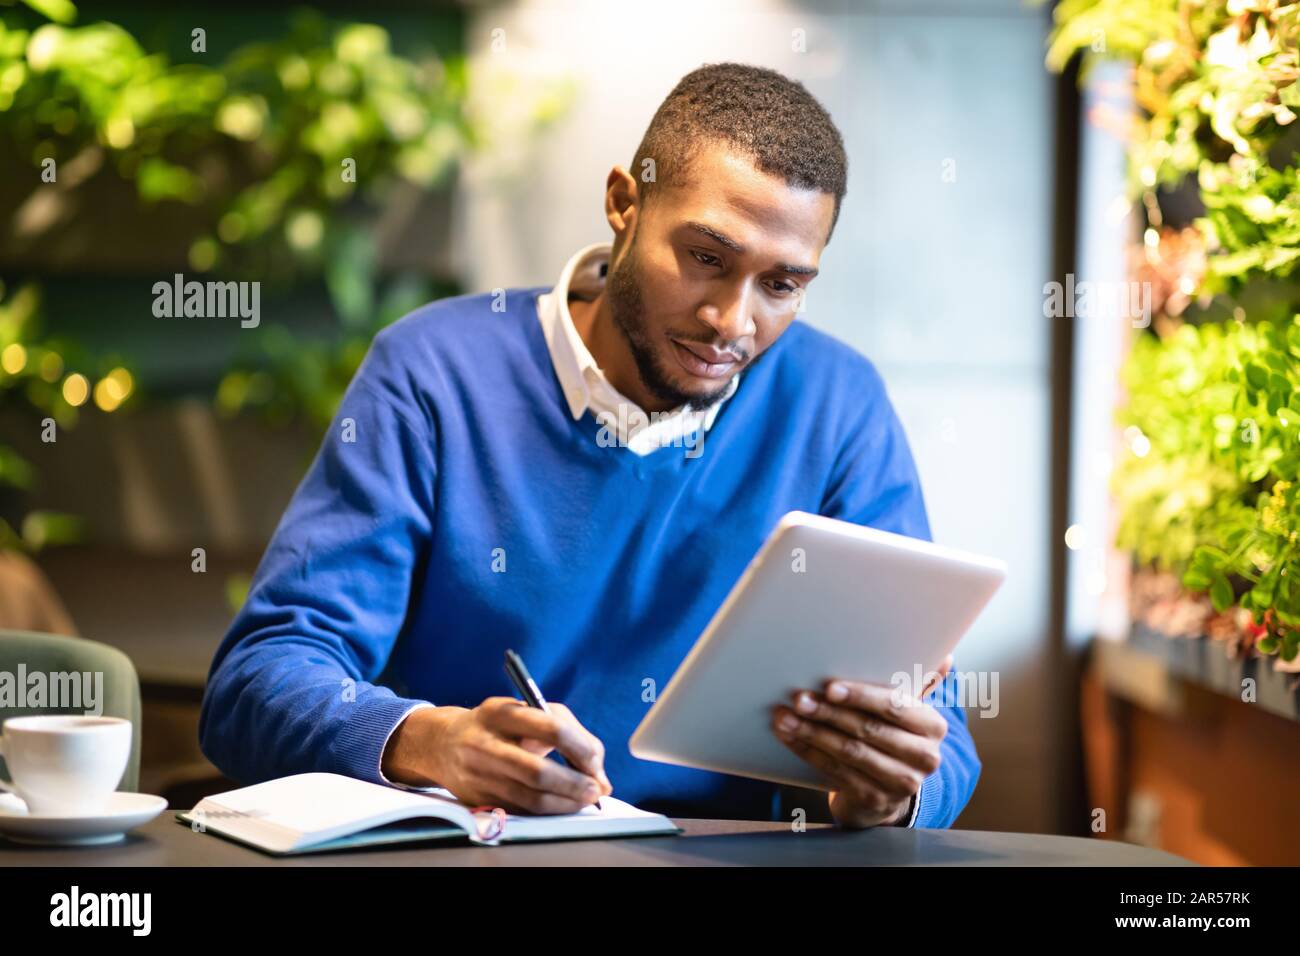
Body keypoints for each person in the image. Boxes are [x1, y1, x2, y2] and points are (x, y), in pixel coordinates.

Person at [199, 62, 980, 828]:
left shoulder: (838, 401)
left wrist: (894, 792)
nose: (732, 322)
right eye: (707, 258)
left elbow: (935, 718)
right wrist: (433, 742)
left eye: (781, 285)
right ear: (623, 203)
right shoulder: (433, 372)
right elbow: (255, 683)